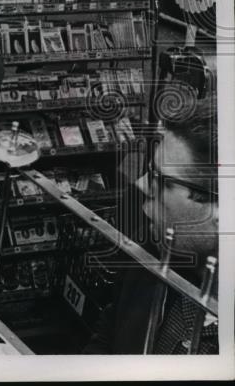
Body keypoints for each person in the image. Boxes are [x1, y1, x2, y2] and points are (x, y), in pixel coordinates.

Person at [83, 115, 218, 354]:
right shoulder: (147, 251)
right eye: (149, 172)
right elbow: (109, 333)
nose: (142, 185)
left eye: (162, 181)